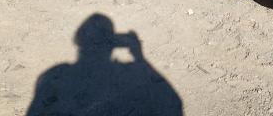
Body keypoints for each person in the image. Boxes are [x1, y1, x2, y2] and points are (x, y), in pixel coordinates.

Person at [26, 13, 183, 116]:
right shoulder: (129, 73)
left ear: (77, 40)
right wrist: (139, 57)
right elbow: (174, 103)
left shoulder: (53, 74)